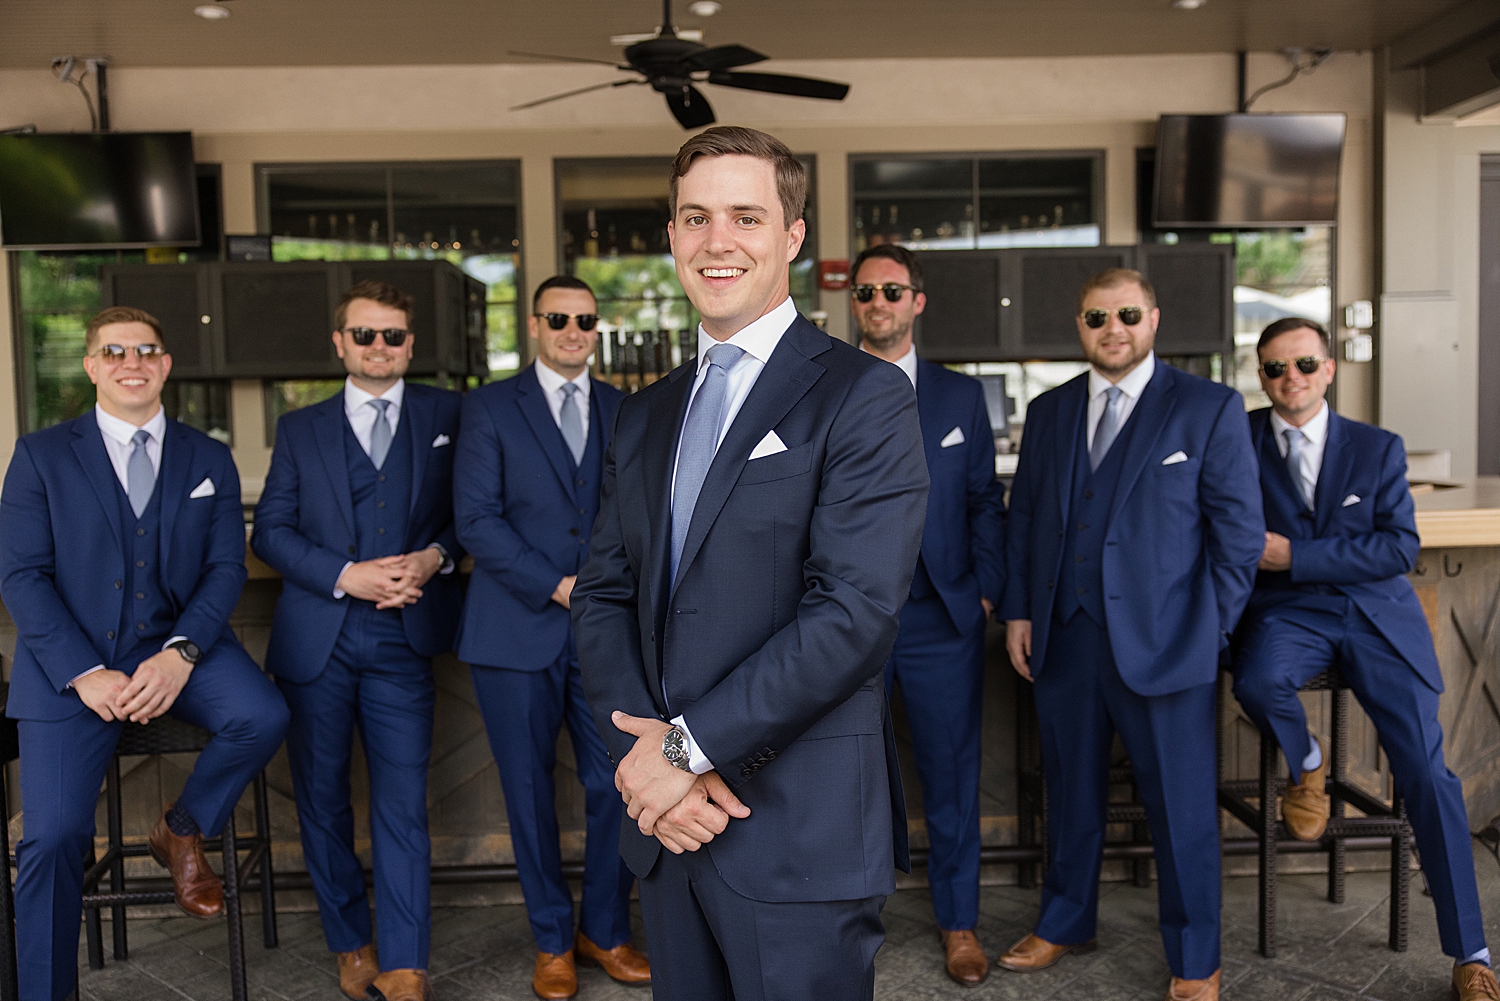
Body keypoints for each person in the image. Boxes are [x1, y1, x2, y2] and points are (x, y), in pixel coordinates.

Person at [572, 126, 929, 1001]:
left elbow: (852, 615)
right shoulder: (645, 413)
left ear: (793, 237)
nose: (717, 240)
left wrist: (687, 750)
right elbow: (604, 594)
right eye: (695, 217)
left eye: (745, 215)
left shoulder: (865, 393)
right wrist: (647, 763)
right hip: (670, 826)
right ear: (672, 237)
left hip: (794, 827)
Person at [1, 307, 289, 1001]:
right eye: (115, 350)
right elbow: (21, 576)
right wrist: (85, 671)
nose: (133, 360)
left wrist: (180, 653)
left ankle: (181, 826)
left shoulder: (207, 456)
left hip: (179, 645)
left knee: (264, 713)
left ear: (165, 363)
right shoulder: (41, 454)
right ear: (92, 365)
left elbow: (225, 568)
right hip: (70, 667)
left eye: (148, 349)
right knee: (52, 837)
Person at [999, 268, 1263, 1001]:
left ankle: (1195, 960)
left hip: (1169, 642)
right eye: (1095, 316)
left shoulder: (1208, 407)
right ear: (1080, 326)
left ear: (1152, 319)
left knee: (1180, 809)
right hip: (1065, 633)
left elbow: (1239, 536)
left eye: (1125, 314)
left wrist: (1209, 628)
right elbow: (1026, 521)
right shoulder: (1050, 411)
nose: (1111, 327)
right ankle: (1065, 921)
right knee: (1070, 794)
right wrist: (1020, 610)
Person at [1232, 317, 1498, 1001]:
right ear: (1258, 376)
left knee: (1428, 775)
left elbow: (1398, 547)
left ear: (1328, 369)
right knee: (1258, 681)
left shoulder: (1377, 447)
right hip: (1289, 613)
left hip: (1376, 614)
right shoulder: (1237, 441)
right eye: (1273, 368)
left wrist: (1298, 554)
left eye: (1303, 364)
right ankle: (1310, 762)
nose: (1289, 378)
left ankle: (1472, 952)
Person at [251, 280, 462, 1001]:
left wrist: (436, 556)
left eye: (394, 336)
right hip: (321, 641)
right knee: (322, 799)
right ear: (339, 343)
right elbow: (270, 531)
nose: (381, 347)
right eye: (365, 335)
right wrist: (347, 574)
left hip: (406, 638)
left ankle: (406, 961)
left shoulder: (448, 414)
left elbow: (475, 510)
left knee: (403, 802)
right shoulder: (300, 427)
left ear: (410, 343)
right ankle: (351, 940)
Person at [453, 275, 646, 1000]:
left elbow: (638, 516)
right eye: (559, 317)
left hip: (604, 634)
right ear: (535, 324)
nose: (573, 329)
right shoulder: (491, 407)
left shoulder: (626, 410)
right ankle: (549, 938)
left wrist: (604, 592)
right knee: (527, 791)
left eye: (586, 319)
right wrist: (559, 585)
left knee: (615, 782)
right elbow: (476, 520)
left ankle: (604, 928)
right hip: (513, 628)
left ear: (598, 328)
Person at [849, 242, 1005, 986]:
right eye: (866, 292)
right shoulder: (822, 385)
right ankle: (850, 924)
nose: (878, 302)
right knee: (849, 776)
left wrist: (983, 589)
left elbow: (984, 501)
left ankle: (960, 922)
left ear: (917, 300)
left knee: (951, 775)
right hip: (846, 621)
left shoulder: (960, 398)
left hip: (943, 617)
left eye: (892, 291)